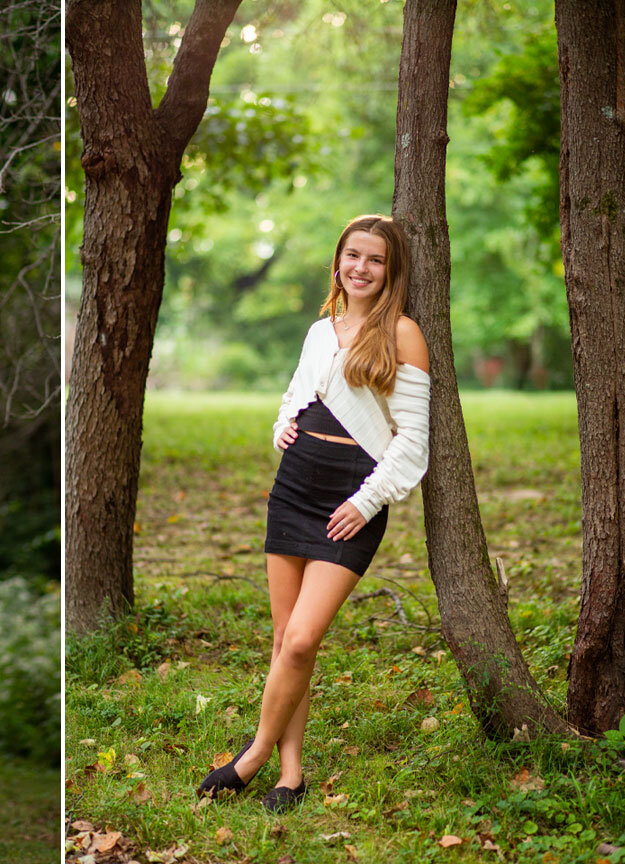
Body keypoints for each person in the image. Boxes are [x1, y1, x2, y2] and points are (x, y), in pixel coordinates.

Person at [197, 214, 431, 813]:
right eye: (353, 255)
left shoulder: (403, 334)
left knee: (302, 641)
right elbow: (293, 395)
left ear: (390, 270)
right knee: (283, 640)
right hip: (294, 488)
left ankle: (251, 756)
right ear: (338, 261)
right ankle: (290, 773)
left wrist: (365, 501)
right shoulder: (320, 330)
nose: (361, 268)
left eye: (375, 260)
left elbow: (412, 441)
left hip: (351, 503)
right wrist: (283, 425)